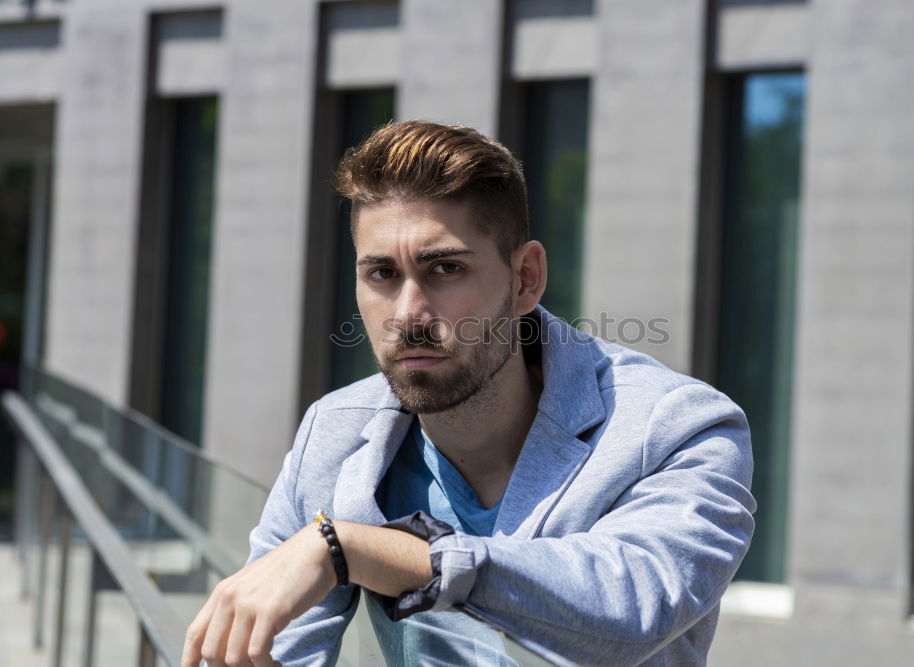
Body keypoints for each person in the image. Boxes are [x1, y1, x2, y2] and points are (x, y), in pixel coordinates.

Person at [181, 120, 756, 667]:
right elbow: (271, 646)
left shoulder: (679, 427)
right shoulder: (333, 432)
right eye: (381, 274)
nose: (408, 314)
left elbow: (632, 610)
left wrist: (361, 552)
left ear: (526, 278)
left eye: (445, 269)